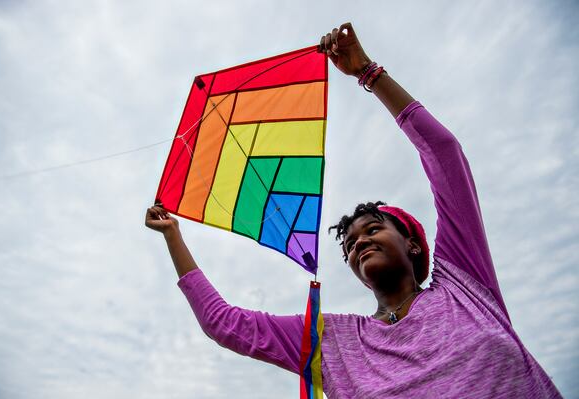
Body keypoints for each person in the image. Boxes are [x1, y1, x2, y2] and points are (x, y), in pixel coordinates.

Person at [145, 23, 561, 398]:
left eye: (373, 228)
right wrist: (173, 236)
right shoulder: (331, 342)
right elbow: (224, 324)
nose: (359, 240)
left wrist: (368, 73)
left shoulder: (464, 285)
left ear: (413, 245)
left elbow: (444, 154)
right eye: (349, 243)